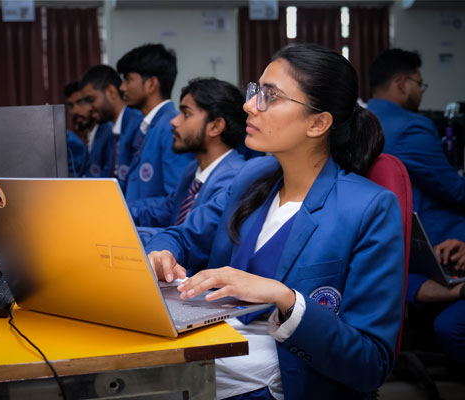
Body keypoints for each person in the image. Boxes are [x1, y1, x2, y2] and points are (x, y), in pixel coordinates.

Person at [145, 44, 405, 399]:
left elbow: (371, 363)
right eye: (256, 90)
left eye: (271, 96)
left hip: (287, 375)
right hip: (221, 346)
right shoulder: (252, 176)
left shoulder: (367, 208)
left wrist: (285, 298)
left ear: (317, 123)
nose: (249, 105)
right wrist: (162, 252)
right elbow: (184, 237)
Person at [368, 49, 465, 365]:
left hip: (387, 240)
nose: (420, 92)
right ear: (402, 83)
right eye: (419, 84)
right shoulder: (412, 126)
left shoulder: (362, 122)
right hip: (434, 241)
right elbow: (453, 190)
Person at [129, 78, 247, 260]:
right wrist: (116, 212)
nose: (174, 121)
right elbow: (162, 211)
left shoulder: (234, 179)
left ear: (215, 126)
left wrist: (127, 234)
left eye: (186, 113)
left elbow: (192, 237)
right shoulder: (193, 171)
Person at [116, 43, 194, 204]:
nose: (122, 87)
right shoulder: (146, 126)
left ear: (151, 84)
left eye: (128, 80)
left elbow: (176, 199)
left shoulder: (171, 129)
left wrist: (131, 209)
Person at [80, 65, 143, 187]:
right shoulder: (111, 131)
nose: (88, 108)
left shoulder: (136, 125)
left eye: (91, 99)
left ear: (111, 92)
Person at [64, 81, 113, 178]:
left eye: (80, 102)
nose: (75, 111)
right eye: (71, 106)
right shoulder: (91, 137)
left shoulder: (108, 133)